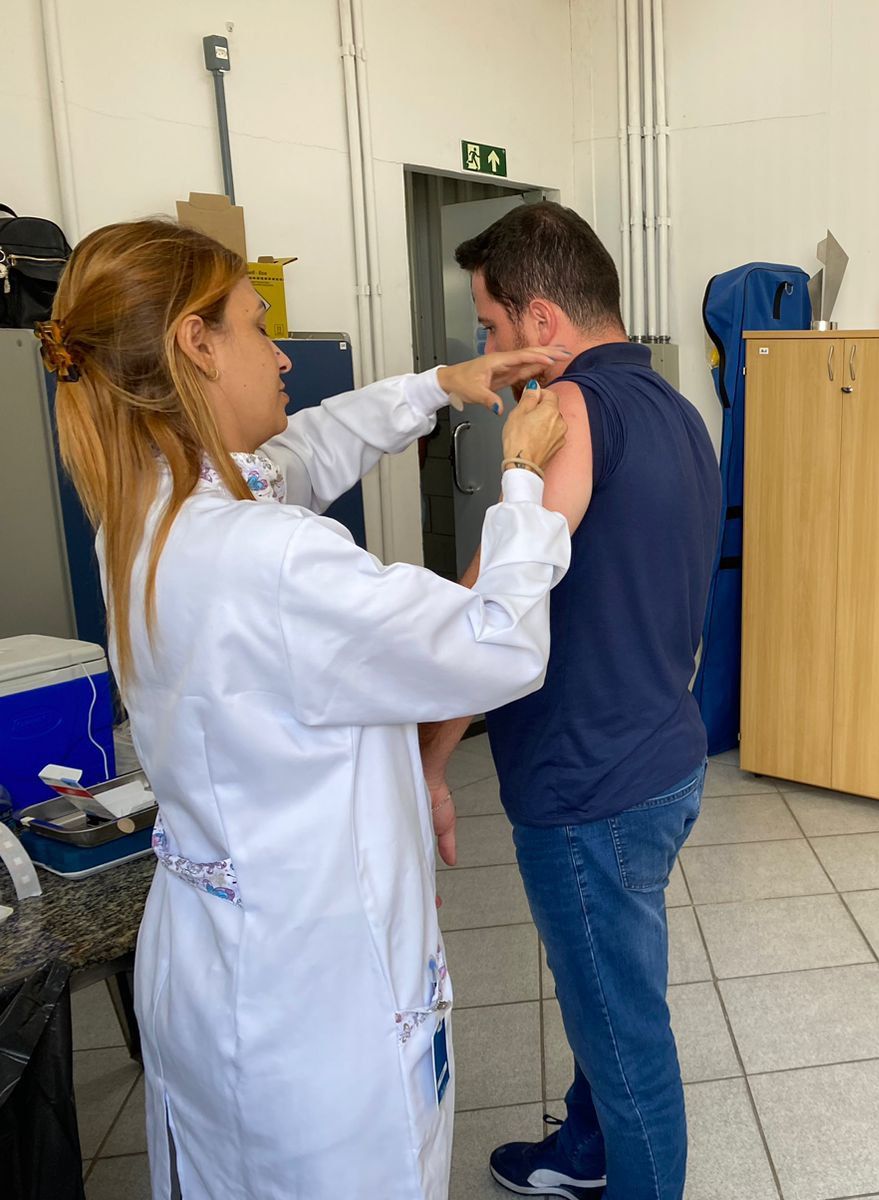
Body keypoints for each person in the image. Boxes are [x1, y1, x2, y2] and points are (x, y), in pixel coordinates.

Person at [42, 218, 572, 1199]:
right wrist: (523, 478)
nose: (282, 353)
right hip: (315, 1014)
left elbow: (306, 452)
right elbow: (499, 646)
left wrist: (441, 388)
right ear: (196, 347)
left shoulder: (145, 512)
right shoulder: (266, 558)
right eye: (254, 326)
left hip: (213, 969)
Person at [418, 203, 721, 1200]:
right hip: (660, 759)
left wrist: (427, 760)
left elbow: (492, 601)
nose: (490, 354)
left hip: (592, 785)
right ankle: (585, 1154)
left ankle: (627, 1170)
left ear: (542, 318)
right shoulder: (678, 409)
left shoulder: (573, 416)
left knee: (623, 1034)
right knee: (604, 986)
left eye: (491, 330)